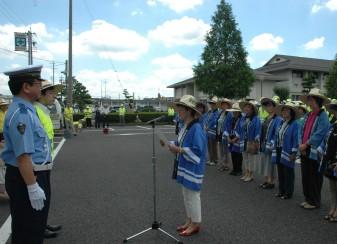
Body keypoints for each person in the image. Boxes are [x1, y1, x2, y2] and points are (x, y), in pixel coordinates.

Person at [1, 65, 52, 244]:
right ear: (26, 87)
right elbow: (23, 156)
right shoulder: (22, 113)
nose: (41, 87)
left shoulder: (27, 109)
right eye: (38, 83)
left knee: (32, 227)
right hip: (28, 177)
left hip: (31, 174)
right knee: (29, 231)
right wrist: (32, 187)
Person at [163, 95, 207, 236]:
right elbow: (180, 142)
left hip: (193, 168)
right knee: (186, 194)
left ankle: (196, 224)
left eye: (180, 109)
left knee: (193, 195)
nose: (177, 112)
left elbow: (198, 151)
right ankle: (189, 220)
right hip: (186, 165)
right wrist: (170, 144)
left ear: (188, 110)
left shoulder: (196, 128)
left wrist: (179, 150)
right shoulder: (185, 126)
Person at [34, 80, 63, 238]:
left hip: (44, 161)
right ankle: (39, 227)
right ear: (42, 95)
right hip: (37, 163)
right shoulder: (36, 110)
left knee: (45, 196)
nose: (54, 96)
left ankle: (42, 223)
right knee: (40, 197)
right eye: (51, 93)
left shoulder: (42, 110)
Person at [299, 88, 330, 209]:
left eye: (311, 100)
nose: (309, 103)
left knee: (315, 177)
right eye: (309, 100)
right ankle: (308, 198)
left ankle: (314, 201)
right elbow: (301, 130)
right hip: (304, 149)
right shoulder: (308, 115)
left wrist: (306, 144)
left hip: (314, 151)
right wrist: (300, 144)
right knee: (306, 176)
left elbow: (320, 133)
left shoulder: (323, 116)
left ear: (318, 101)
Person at [273, 102, 299, 199]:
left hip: (288, 150)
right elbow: (277, 135)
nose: (284, 112)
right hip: (280, 149)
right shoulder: (281, 122)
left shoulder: (294, 124)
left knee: (288, 172)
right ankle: (281, 190)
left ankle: (288, 193)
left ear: (291, 112)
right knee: (280, 171)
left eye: (286, 110)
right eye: (283, 110)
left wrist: (294, 152)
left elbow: (296, 139)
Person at [318, 101, 337, 222]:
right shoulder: (334, 125)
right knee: (332, 187)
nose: (335, 113)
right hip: (331, 160)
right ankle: (333, 208)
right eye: (334, 111)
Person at [258, 97, 282, 189]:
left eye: (269, 106)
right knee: (265, 162)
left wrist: (271, 142)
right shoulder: (266, 117)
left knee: (270, 163)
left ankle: (271, 181)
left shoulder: (278, 119)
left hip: (271, 144)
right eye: (266, 106)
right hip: (264, 142)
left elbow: (277, 133)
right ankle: (266, 179)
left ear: (274, 107)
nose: (267, 108)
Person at [239, 100, 261, 182]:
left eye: (249, 107)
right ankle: (246, 173)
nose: (246, 108)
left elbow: (258, 130)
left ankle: (250, 175)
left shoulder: (256, 119)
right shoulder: (243, 118)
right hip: (243, 140)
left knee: (251, 159)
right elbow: (240, 127)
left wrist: (256, 141)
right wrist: (242, 117)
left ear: (252, 110)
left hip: (251, 141)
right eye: (245, 107)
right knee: (245, 158)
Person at [226, 103, 245, 176]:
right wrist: (228, 137)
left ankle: (239, 170)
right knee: (233, 154)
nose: (234, 113)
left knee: (238, 155)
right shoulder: (232, 119)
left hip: (238, 139)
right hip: (231, 138)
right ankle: (234, 169)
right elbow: (227, 128)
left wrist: (235, 139)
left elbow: (241, 130)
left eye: (235, 111)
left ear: (239, 112)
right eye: (233, 111)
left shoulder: (242, 119)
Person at [216, 98, 233, 171]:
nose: (223, 106)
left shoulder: (229, 113)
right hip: (219, 133)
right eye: (222, 104)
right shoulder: (220, 113)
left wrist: (227, 134)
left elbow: (229, 124)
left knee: (226, 150)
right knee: (221, 149)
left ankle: (226, 165)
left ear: (228, 105)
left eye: (225, 104)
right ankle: (223, 164)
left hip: (225, 134)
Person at [205, 96, 219, 166]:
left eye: (213, 104)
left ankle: (214, 160)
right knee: (209, 146)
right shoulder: (210, 112)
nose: (212, 105)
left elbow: (214, 121)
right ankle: (212, 159)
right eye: (211, 104)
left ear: (216, 105)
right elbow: (206, 119)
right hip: (208, 131)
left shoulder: (217, 112)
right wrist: (205, 125)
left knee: (213, 146)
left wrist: (208, 126)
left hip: (213, 131)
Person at [0, 98, 9, 199]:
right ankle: (2, 191)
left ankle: (3, 189)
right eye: (4, 105)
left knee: (3, 167)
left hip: (3, 140)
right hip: (1, 142)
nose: (6, 106)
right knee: (1, 166)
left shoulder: (3, 113)